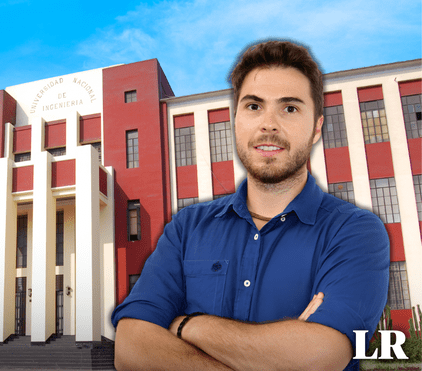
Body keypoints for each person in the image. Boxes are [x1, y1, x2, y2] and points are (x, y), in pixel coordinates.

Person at [111, 40, 390, 371]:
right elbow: (131, 349)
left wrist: (188, 326)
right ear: (236, 120)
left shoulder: (355, 232)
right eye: (254, 106)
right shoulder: (187, 228)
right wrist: (280, 350)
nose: (268, 124)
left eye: (289, 108)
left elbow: (320, 356)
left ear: (316, 128)